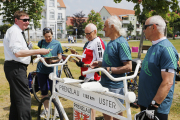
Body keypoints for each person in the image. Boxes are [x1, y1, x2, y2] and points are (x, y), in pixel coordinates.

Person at [3, 11, 50, 120]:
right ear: (16, 20)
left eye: (28, 20)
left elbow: (20, 51)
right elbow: (18, 53)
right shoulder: (15, 31)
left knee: (16, 100)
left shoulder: (16, 31)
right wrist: (36, 51)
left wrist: (33, 54)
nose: (27, 22)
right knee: (24, 99)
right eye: (24, 20)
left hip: (15, 67)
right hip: (16, 68)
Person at [90, 16, 132, 120]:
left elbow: (128, 67)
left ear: (112, 27)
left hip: (115, 86)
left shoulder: (121, 43)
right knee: (106, 113)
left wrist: (109, 70)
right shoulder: (111, 42)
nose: (103, 29)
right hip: (106, 84)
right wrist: (100, 64)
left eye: (105, 26)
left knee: (116, 115)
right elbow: (112, 62)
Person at [137, 15, 179, 120]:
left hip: (156, 108)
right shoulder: (153, 47)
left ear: (154, 27)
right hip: (146, 104)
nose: (143, 30)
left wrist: (154, 105)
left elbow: (168, 82)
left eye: (145, 27)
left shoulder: (166, 49)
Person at [71, 23, 106, 120]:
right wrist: (77, 56)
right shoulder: (90, 42)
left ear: (95, 31)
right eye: (85, 34)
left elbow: (101, 62)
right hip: (85, 76)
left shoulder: (98, 42)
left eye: (88, 34)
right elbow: (86, 59)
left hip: (92, 77)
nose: (86, 36)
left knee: (90, 104)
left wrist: (84, 65)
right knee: (85, 103)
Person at [36, 27, 63, 117]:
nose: (48, 38)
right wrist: (40, 59)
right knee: (44, 91)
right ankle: (46, 110)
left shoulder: (57, 43)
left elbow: (60, 55)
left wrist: (56, 60)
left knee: (54, 90)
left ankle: (57, 111)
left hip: (52, 70)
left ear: (52, 35)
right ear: (44, 36)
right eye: (46, 37)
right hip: (41, 70)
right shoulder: (41, 43)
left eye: (50, 36)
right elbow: (37, 54)